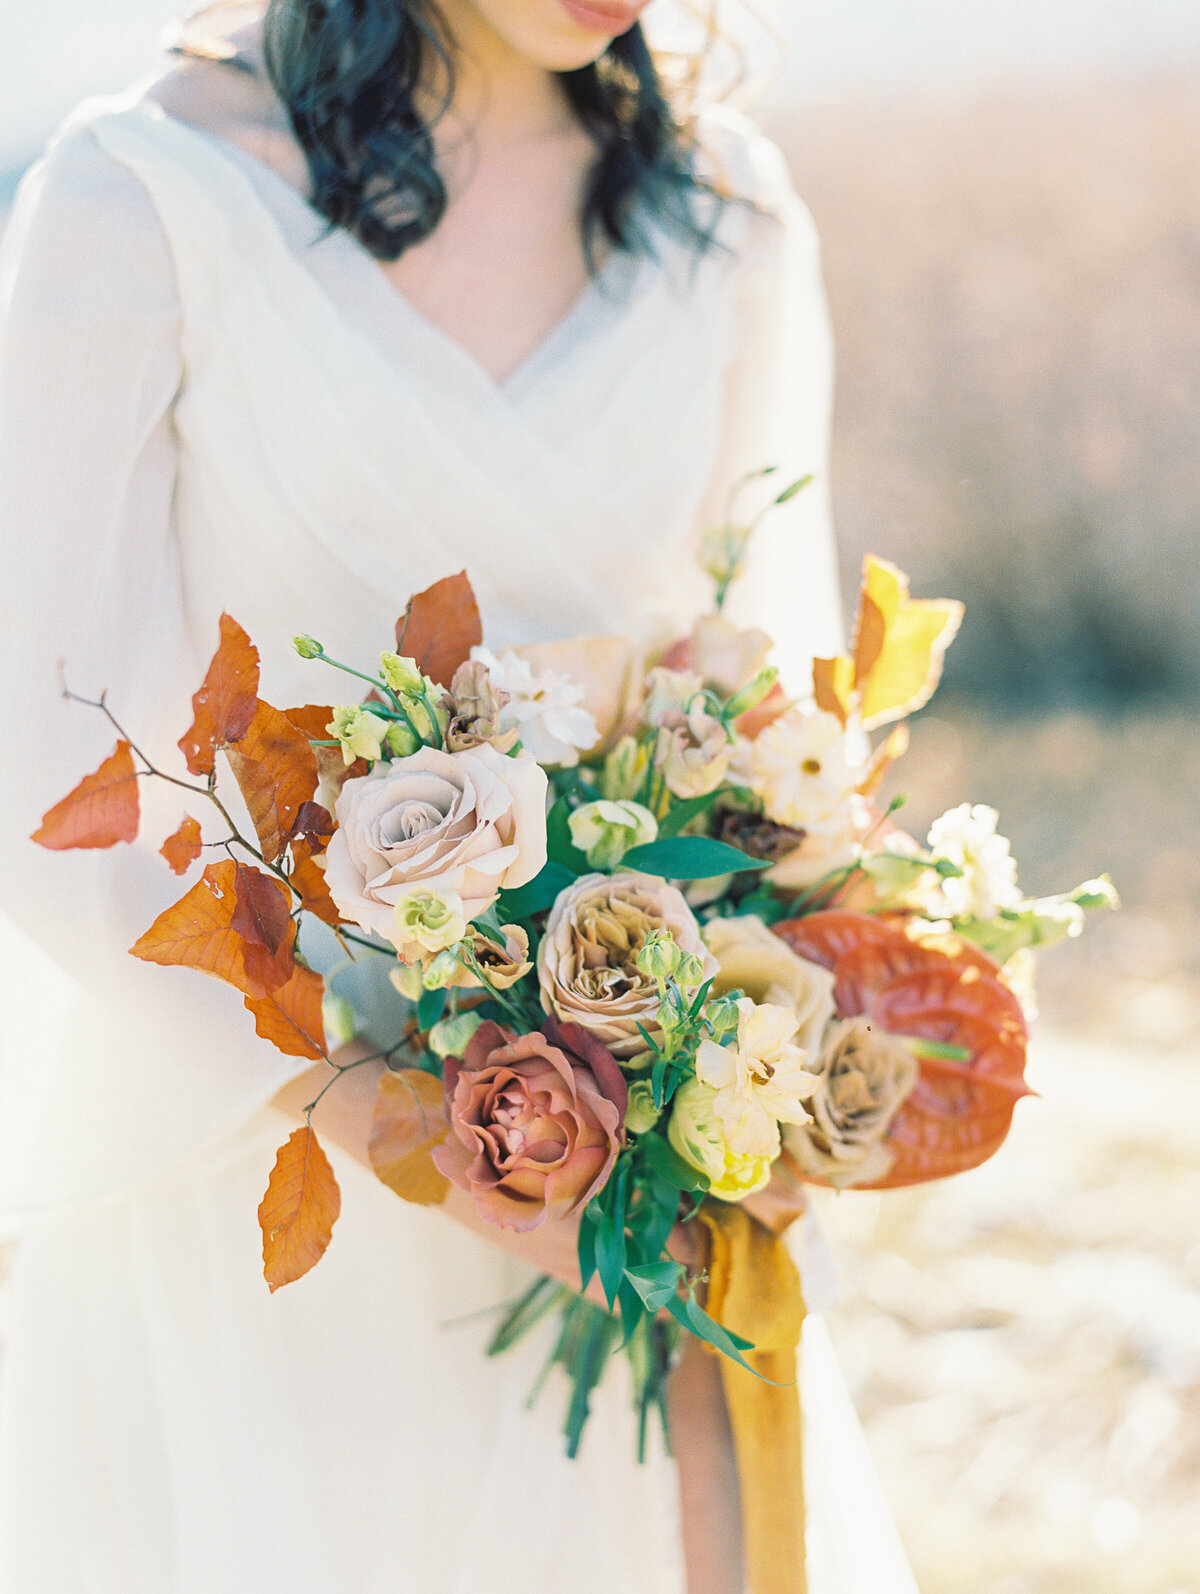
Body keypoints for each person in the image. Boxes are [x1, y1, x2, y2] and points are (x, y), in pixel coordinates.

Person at [0, 2, 919, 1590]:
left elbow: (778, 713)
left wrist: (755, 1068)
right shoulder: (144, 197)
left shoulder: (731, 222)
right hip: (257, 1186)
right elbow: (34, 753)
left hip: (615, 1210)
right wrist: (388, 1111)